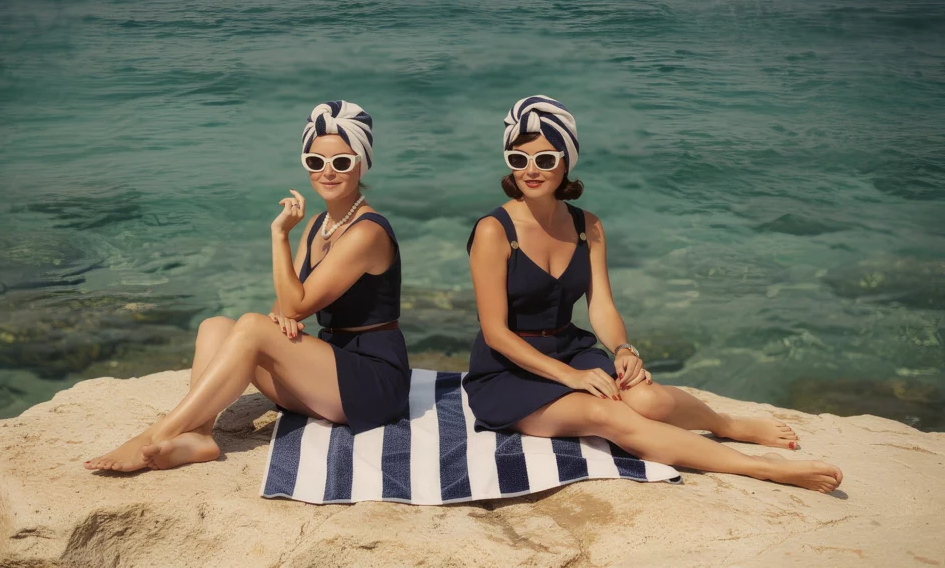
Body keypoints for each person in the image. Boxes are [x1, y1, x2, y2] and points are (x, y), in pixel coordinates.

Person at [464, 95, 843, 492]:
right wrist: (571, 377)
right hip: (508, 372)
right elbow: (496, 333)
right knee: (608, 415)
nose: (531, 171)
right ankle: (758, 467)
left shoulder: (586, 226)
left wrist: (624, 349)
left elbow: (602, 306)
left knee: (647, 401)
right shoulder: (494, 231)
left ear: (566, 160)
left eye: (544, 159)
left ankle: (726, 425)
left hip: (569, 349)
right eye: (518, 159)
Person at [85, 100, 409, 472]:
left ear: (361, 164)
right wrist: (280, 318)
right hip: (329, 368)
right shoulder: (319, 223)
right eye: (316, 162)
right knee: (217, 327)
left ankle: (158, 434)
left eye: (342, 162)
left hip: (372, 382)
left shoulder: (366, 232)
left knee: (252, 326)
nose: (328, 172)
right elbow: (283, 309)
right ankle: (200, 435)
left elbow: (296, 305)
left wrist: (278, 235)